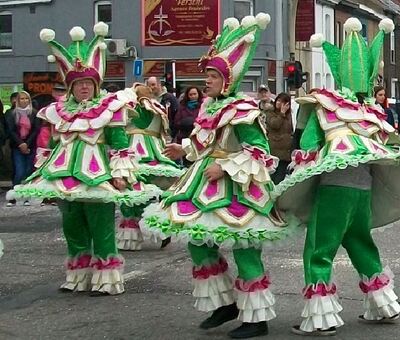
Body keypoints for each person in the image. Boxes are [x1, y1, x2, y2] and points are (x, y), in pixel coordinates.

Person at [280, 18, 400, 336]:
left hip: (335, 189)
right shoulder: (373, 112)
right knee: (360, 243)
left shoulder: (325, 107)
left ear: (338, 72)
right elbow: (388, 147)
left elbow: (308, 146)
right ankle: (384, 305)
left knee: (318, 249)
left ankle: (321, 318)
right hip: (362, 190)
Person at [142, 14, 300, 338]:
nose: (207, 81)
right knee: (197, 242)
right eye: (208, 76)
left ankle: (256, 320)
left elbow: (260, 152)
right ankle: (226, 302)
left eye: (213, 76)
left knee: (243, 246)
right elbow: (205, 143)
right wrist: (184, 149)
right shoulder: (210, 108)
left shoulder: (243, 110)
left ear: (227, 80)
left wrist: (226, 167)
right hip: (203, 182)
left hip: (238, 186)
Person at [11, 22, 160, 296]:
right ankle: (78, 275)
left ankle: (107, 279)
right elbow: (51, 144)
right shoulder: (57, 111)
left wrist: (120, 174)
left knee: (101, 226)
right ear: (71, 86)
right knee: (72, 226)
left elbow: (119, 144)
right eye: (78, 84)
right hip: (64, 177)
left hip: (99, 177)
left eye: (88, 84)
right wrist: (42, 174)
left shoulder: (109, 109)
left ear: (96, 84)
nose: (83, 88)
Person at [115, 84, 183, 251]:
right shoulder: (158, 108)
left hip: (132, 153)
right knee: (151, 191)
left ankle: (132, 236)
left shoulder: (128, 108)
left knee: (131, 192)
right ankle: (159, 226)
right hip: (155, 153)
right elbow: (163, 131)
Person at [5, 91, 38, 207]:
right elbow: (11, 130)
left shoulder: (34, 113)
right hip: (17, 147)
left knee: (28, 171)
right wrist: (21, 144)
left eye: (26, 99)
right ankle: (13, 197)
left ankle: (26, 197)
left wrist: (27, 144)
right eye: (21, 99)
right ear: (17, 101)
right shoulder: (11, 114)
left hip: (31, 146)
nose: (24, 101)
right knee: (19, 171)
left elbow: (35, 130)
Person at [265, 92, 293, 184]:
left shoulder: (288, 115)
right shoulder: (270, 112)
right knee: (274, 177)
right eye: (278, 100)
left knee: (281, 177)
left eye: (282, 102)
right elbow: (274, 124)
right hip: (275, 149)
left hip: (286, 151)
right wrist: (281, 113)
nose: (279, 103)